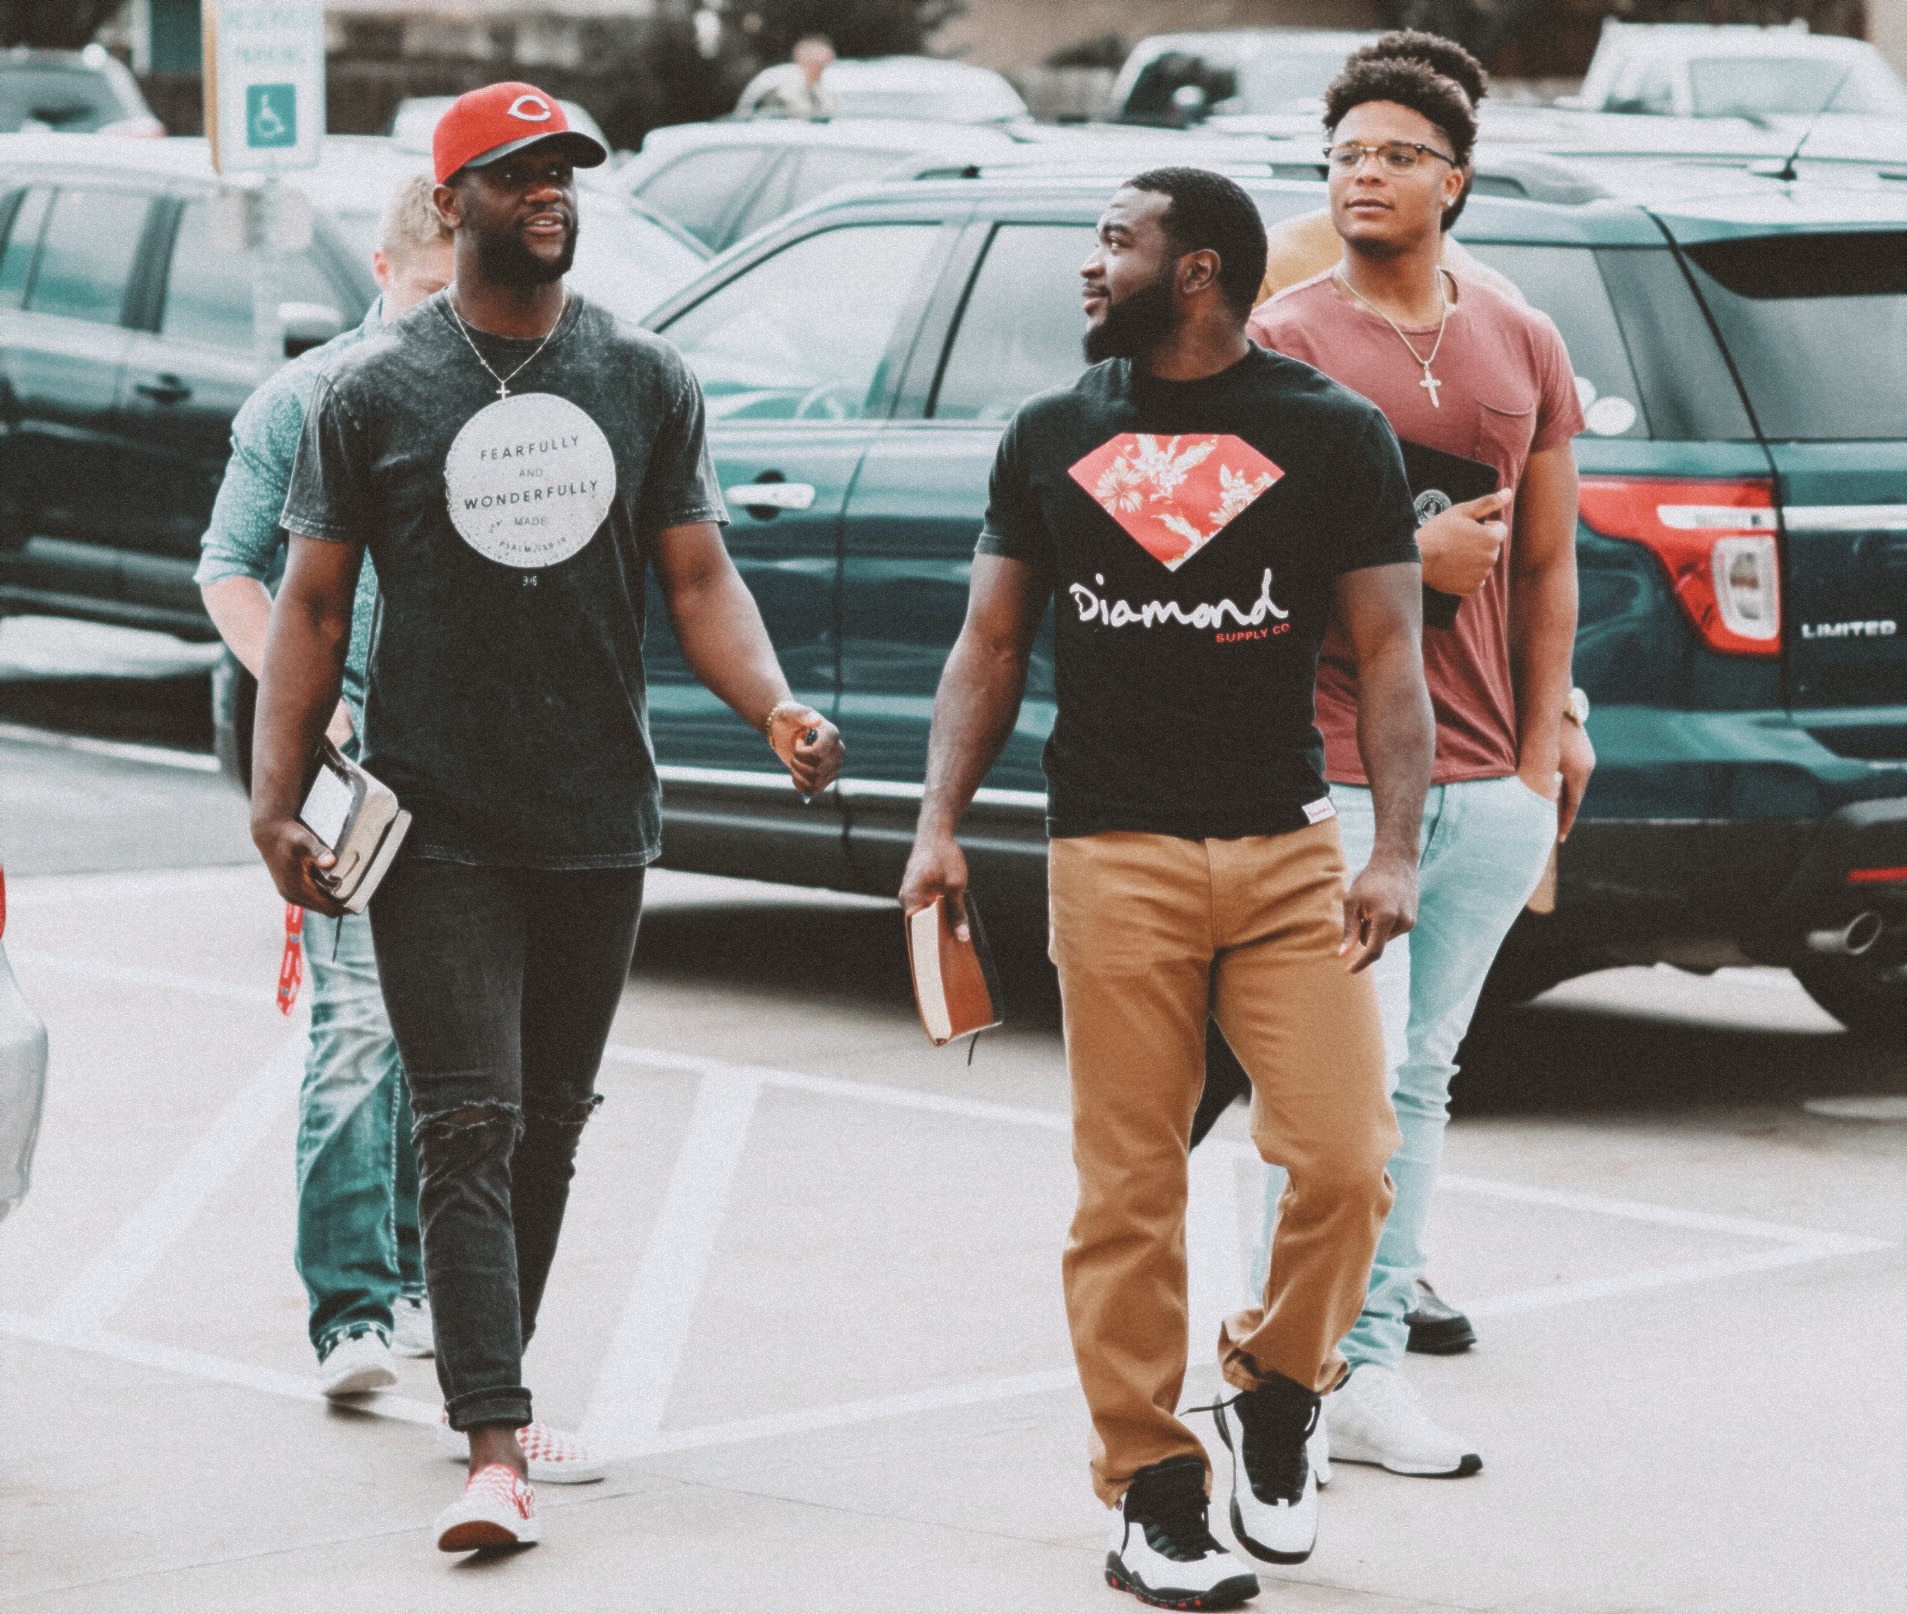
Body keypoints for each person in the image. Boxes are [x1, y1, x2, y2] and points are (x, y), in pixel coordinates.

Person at [249, 81, 844, 1555]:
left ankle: (490, 1378)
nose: (554, 194)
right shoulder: (368, 391)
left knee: (549, 1128)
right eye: (519, 174)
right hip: (432, 816)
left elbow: (700, 580)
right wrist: (279, 799)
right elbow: (312, 603)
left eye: (568, 171)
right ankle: (494, 1446)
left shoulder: (639, 374)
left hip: (595, 811)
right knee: (465, 1116)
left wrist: (771, 707)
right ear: (451, 204)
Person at [899, 167, 1434, 1610]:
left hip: (1281, 850)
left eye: (1112, 242)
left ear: (1195, 271)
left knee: (1343, 1158)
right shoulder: (1049, 434)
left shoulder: (1329, 437)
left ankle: (1273, 1383)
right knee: (1125, 1192)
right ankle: (1149, 1489)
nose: (1087, 265)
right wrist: (937, 822)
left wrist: (1393, 848)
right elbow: (990, 645)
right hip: (1109, 852)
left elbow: (1389, 653)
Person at [1244, 50, 1592, 1480]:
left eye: (1392, 152)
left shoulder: (1518, 331)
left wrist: (1534, 751)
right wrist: (1403, 552)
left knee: (1423, 1079)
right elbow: (1244, 567)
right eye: (1342, 152)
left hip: (1484, 782)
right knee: (1338, 1096)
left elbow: (1553, 562)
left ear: (1453, 176)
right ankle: (1286, 1376)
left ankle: (1368, 1369)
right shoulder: (1283, 340)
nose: (1360, 172)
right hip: (1334, 771)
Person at [198, 174, 452, 1400]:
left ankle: (416, 1285)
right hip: (348, 764)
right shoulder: (303, 399)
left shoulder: (506, 396)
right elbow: (227, 570)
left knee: (450, 1041)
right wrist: (310, 695)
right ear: (389, 277)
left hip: (470, 756)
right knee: (358, 1034)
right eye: (428, 300)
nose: (443, 327)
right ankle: (351, 1314)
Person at [1254, 31, 1521, 307]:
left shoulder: (1499, 303)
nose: (1451, 153)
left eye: (1460, 131)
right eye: (1400, 153)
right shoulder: (1271, 270)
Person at [736, 33, 840, 119]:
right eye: (818, 63)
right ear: (802, 59)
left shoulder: (820, 91)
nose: (822, 68)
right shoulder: (780, 87)